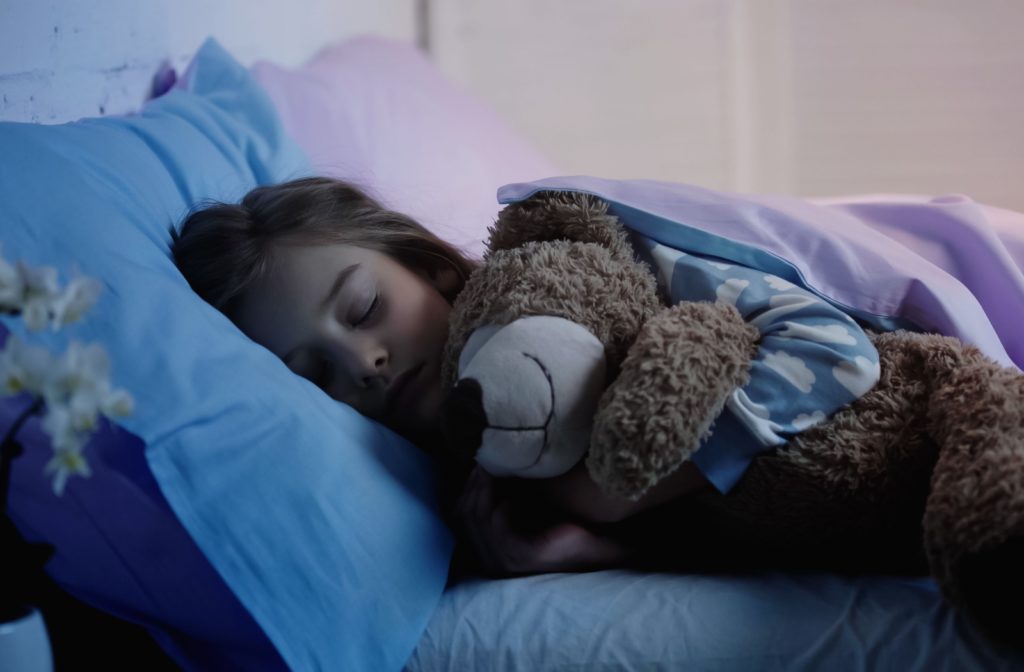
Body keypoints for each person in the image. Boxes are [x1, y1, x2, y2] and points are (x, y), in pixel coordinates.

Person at [171, 176, 880, 578]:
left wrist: (610, 496)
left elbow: (831, 348)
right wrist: (598, 550)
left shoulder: (590, 271)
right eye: (315, 374)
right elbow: (730, 531)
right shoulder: (465, 494)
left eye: (365, 309)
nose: (364, 365)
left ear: (432, 269)